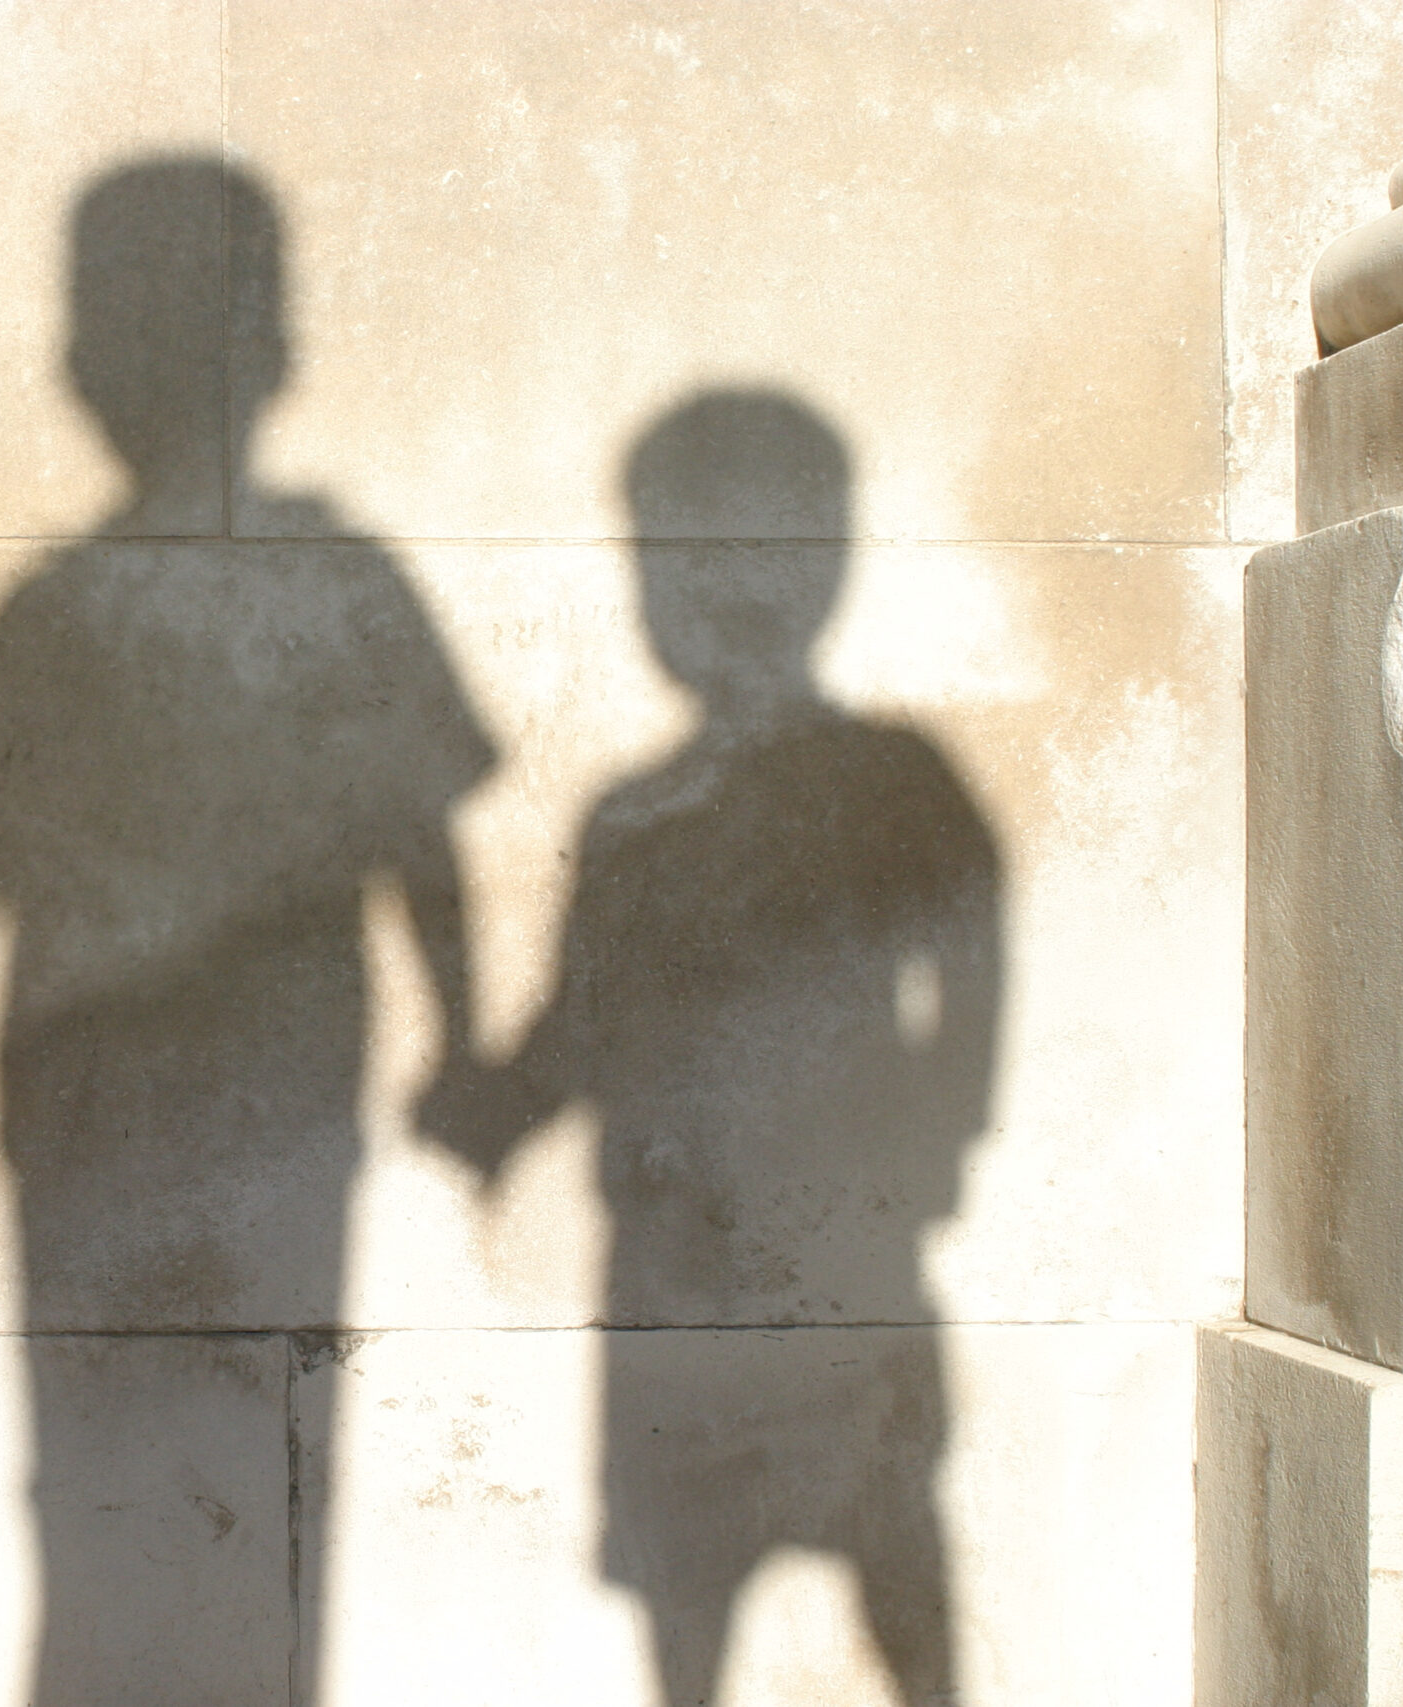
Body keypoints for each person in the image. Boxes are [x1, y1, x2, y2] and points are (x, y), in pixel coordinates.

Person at [0, 156, 494, 1704]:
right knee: (243, 1521)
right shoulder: (323, 589)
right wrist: (468, 1054)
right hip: (231, 1133)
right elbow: (427, 855)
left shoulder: (72, 610)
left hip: (134, 1135)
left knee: (106, 1518)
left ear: (79, 361)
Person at [426, 391, 1000, 1707]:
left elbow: (975, 962)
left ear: (829, 567)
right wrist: (490, 1111)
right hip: (680, 1282)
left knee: (898, 1578)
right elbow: (578, 1031)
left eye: (749, 560)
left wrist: (940, 1140)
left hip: (839, 1269)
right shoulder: (632, 825)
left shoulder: (893, 783)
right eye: (678, 564)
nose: (709, 601)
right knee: (693, 1610)